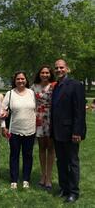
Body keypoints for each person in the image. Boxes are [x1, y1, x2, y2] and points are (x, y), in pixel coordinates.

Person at [51, 59, 86, 203]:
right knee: (61, 162)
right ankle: (64, 188)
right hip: (58, 132)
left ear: (67, 69)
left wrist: (77, 132)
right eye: (57, 68)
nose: (59, 70)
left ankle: (73, 192)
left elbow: (79, 111)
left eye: (61, 67)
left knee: (72, 162)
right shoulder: (56, 86)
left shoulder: (75, 85)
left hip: (71, 132)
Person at [2, 71, 36, 189]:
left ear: (26, 80)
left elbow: (36, 110)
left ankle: (26, 179)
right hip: (14, 130)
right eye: (18, 79)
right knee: (14, 155)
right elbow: (2, 112)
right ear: (14, 81)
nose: (20, 81)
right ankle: (14, 180)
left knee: (28, 155)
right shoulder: (10, 94)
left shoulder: (32, 93)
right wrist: (3, 127)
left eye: (22, 79)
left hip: (30, 130)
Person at [31, 66, 56, 190]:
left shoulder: (54, 86)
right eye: (42, 72)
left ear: (50, 74)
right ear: (39, 74)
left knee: (51, 148)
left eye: (47, 72)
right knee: (42, 148)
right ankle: (43, 175)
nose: (45, 74)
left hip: (52, 119)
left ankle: (49, 177)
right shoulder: (34, 87)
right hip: (39, 119)